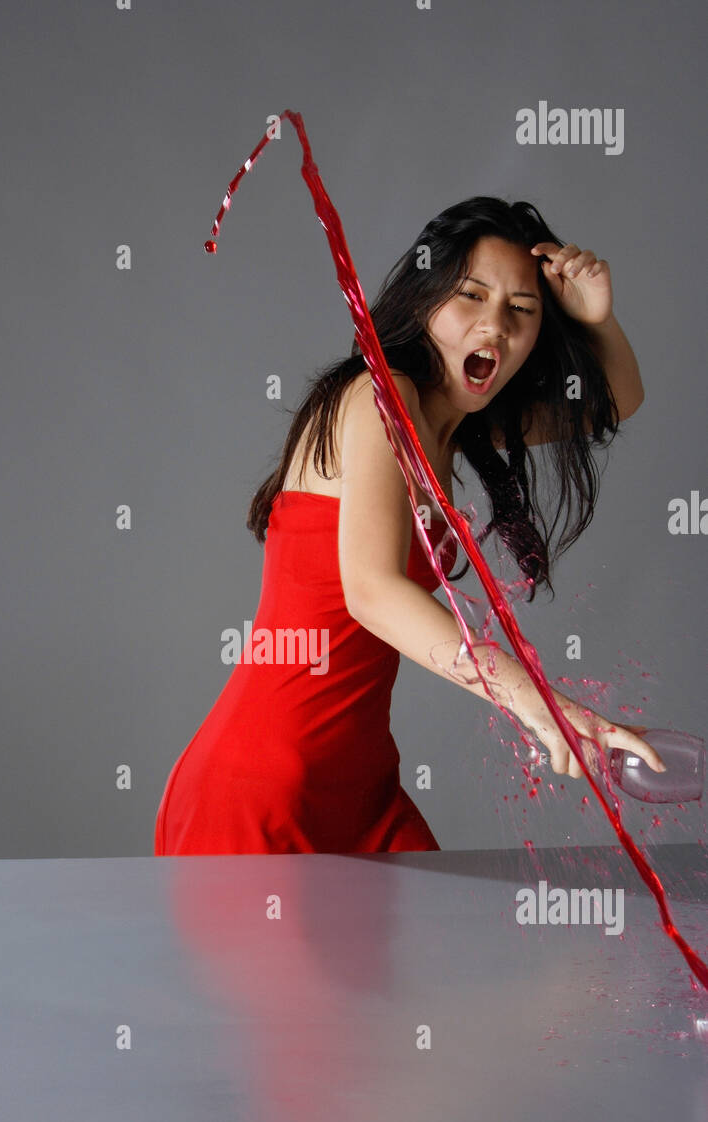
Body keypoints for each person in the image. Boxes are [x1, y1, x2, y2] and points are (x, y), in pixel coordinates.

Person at [154, 196, 664, 854]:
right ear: (425, 301)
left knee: (448, 958)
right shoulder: (378, 395)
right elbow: (371, 591)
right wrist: (541, 704)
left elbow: (615, 400)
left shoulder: (457, 426)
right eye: (471, 296)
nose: (496, 326)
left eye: (523, 310)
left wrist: (597, 318)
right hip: (260, 792)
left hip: (365, 791)